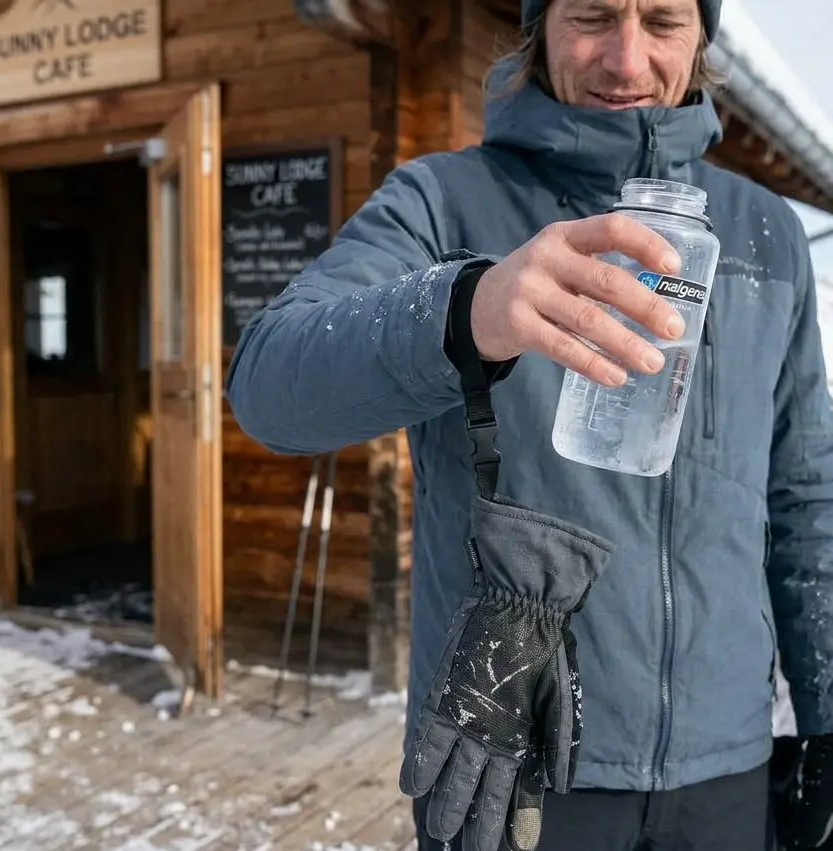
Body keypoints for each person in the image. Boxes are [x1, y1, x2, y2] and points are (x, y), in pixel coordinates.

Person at [226, 0, 833, 848]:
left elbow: (807, 497)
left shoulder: (761, 230)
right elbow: (265, 385)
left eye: (661, 21)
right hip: (512, 760)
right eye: (589, 16)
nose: (625, 61)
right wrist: (463, 309)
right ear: (537, 29)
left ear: (701, 36)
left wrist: (825, 714)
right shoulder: (445, 200)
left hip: (725, 763)